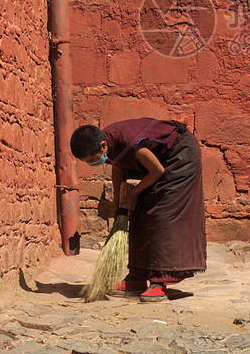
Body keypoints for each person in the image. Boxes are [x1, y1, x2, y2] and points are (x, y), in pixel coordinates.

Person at [71, 117, 206, 302]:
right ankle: (137, 275)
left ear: (103, 145)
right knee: (139, 211)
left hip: (181, 156)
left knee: (162, 214)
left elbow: (157, 171)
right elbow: (118, 168)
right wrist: (118, 204)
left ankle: (160, 280)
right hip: (158, 163)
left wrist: (133, 193)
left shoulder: (130, 142)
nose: (94, 163)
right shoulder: (109, 144)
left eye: (94, 159)